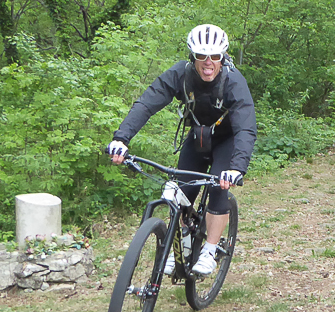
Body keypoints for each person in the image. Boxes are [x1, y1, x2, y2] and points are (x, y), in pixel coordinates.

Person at [108, 24, 257, 274]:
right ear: (192, 56)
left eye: (215, 56)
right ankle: (179, 243)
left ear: (222, 57)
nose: (208, 62)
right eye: (201, 55)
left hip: (227, 141)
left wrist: (236, 168)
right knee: (180, 192)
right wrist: (121, 139)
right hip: (198, 138)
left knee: (218, 187)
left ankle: (210, 249)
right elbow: (147, 103)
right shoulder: (181, 74)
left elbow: (245, 127)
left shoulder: (233, 82)